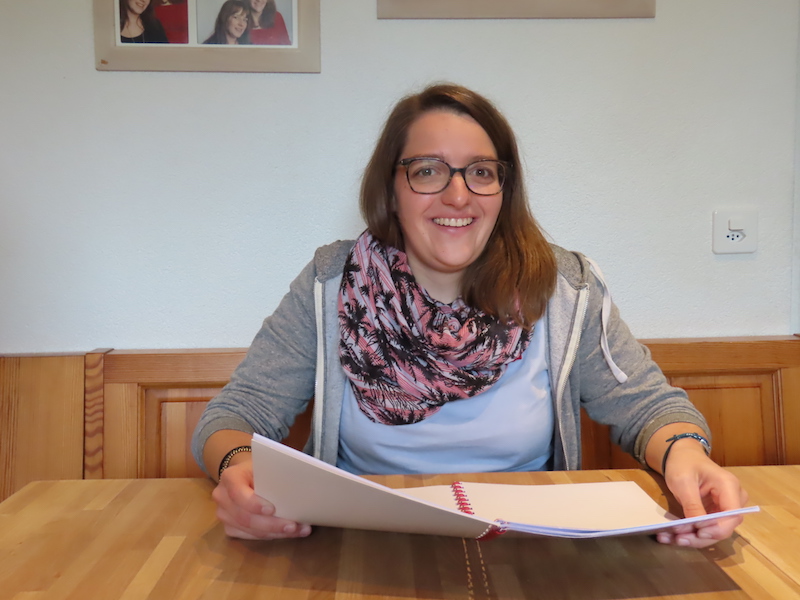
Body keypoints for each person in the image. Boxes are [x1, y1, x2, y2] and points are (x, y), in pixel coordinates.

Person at [191, 83, 748, 546]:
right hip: (364, 544)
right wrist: (240, 467)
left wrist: (686, 453)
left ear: (503, 189)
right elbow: (238, 413)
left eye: (480, 172)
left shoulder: (564, 289)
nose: (458, 196)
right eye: (428, 170)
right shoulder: (330, 283)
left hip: (526, 546)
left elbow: (648, 406)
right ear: (391, 187)